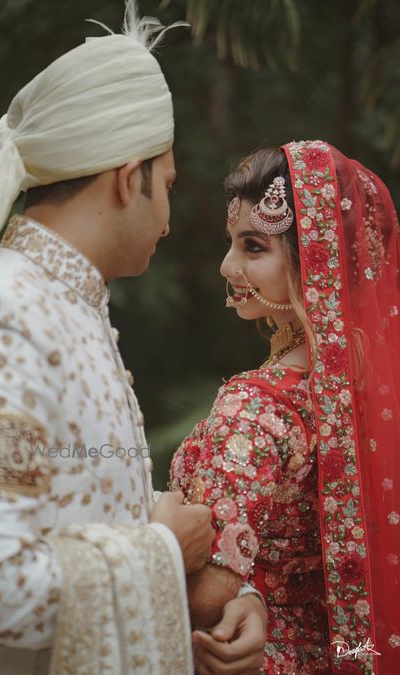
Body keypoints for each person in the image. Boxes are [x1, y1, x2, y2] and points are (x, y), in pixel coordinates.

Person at [0, 2, 266, 674]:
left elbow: (72, 504)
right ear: (129, 179)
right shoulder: (1, 315)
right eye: (168, 186)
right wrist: (160, 549)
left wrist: (222, 587)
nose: (169, 219)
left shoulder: (70, 305)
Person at [170, 140, 400, 674]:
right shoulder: (372, 393)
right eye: (231, 243)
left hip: (252, 655)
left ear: (313, 258)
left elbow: (209, 587)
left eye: (253, 247)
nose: (227, 266)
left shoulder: (257, 406)